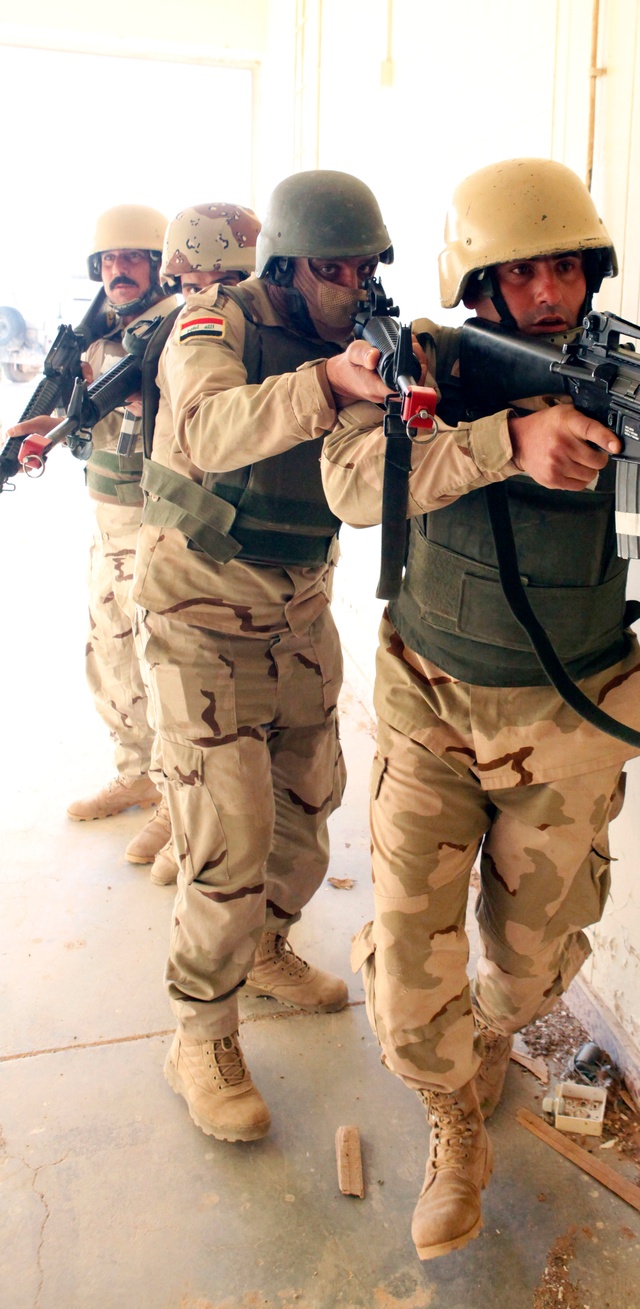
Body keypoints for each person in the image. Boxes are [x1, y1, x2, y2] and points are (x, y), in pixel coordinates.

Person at [320, 157, 640, 1260]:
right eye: (521, 270)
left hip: (570, 726)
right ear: (476, 281)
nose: (548, 292)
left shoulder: (624, 393)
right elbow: (353, 485)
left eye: (566, 269)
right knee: (413, 959)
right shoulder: (425, 367)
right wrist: (506, 441)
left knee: (534, 968)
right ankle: (451, 1115)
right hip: (429, 706)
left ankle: (470, 1032)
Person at [132, 171, 390, 1144]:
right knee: (227, 836)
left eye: (365, 270)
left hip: (299, 611)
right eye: (333, 269)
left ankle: (269, 948)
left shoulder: (357, 335)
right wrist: (327, 384)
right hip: (199, 613)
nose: (350, 287)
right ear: (284, 262)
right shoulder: (213, 325)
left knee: (308, 805)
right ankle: (200, 1033)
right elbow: (205, 429)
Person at [7, 206, 175, 866]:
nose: (118, 269)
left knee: (162, 663)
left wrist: (146, 402)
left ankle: (174, 793)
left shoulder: (177, 333)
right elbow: (91, 438)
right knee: (110, 653)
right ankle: (136, 770)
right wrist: (54, 426)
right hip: (106, 517)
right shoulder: (103, 335)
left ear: (158, 264)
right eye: (108, 261)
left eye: (132, 257)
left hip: (156, 520)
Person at [143, 202, 262, 889]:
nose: (206, 294)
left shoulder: (263, 328)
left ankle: (180, 821)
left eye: (218, 278)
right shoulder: (195, 327)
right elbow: (209, 430)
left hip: (261, 576)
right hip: (190, 568)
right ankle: (174, 821)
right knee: (193, 738)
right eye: (190, 280)